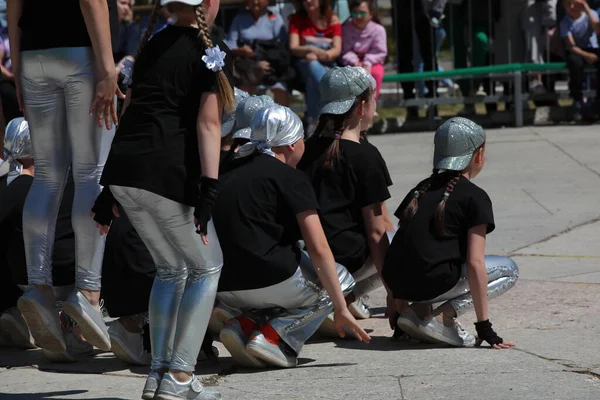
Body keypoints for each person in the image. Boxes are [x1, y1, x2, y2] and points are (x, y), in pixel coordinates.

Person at [92, 0, 234, 397]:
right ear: (207, 4)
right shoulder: (209, 51)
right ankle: (181, 377)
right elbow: (208, 123)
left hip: (126, 170)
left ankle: (158, 375)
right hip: (164, 173)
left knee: (171, 269)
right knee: (207, 268)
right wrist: (209, 188)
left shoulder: (151, 42)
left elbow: (132, 109)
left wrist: (108, 187)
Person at [213, 104, 370, 369]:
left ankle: (244, 323)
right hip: (270, 277)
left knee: (289, 271)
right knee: (338, 279)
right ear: (291, 145)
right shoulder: (290, 177)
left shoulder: (226, 174)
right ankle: (275, 338)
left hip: (225, 285)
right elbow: (319, 247)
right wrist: (341, 307)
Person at [7, 0, 122, 354]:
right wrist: (106, 67)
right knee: (90, 175)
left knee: (46, 177)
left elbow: (14, 5)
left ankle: (39, 288)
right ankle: (87, 291)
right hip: (81, 51)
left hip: (34, 55)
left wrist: (17, 62)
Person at [382, 117, 518, 349]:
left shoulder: (420, 188)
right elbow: (475, 263)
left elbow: (404, 247)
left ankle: (415, 311)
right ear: (478, 155)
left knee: (430, 262)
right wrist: (484, 326)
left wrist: (397, 303)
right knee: (509, 269)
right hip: (432, 283)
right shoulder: (475, 197)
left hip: (401, 284)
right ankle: (440, 316)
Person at [298, 67, 392, 332]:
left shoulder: (304, 149)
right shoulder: (365, 156)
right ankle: (345, 297)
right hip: (346, 260)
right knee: (395, 241)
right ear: (362, 107)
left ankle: (343, 299)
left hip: (307, 260)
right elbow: (377, 231)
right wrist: (395, 295)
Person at [0, 118, 92, 362]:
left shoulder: (8, 186)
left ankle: (13, 311)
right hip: (64, 277)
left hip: (21, 279)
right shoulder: (65, 181)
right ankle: (72, 328)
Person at [289, 0, 342, 135]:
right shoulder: (296, 19)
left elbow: (336, 49)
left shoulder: (333, 19)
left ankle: (313, 123)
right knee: (312, 65)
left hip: (327, 63)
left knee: (313, 82)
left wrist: (320, 55)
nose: (308, 1)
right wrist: (311, 49)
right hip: (304, 64)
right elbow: (294, 47)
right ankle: (333, 101)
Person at [226, 0, 291, 105]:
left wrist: (268, 61)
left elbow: (282, 45)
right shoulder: (240, 18)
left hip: (270, 64)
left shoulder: (273, 17)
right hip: (246, 66)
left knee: (280, 90)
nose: (256, 2)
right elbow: (229, 43)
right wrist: (240, 51)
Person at [560, 0, 600, 120]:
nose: (572, 7)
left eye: (574, 3)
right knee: (574, 63)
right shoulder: (564, 22)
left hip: (593, 48)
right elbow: (571, 46)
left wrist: (586, 9)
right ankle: (577, 100)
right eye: (568, 4)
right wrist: (585, 55)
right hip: (577, 50)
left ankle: (597, 102)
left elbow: (598, 30)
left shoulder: (591, 14)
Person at [341, 0, 387, 100]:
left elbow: (380, 51)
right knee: (351, 76)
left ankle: (371, 103)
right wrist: (354, 62)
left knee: (376, 74)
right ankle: (354, 107)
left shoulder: (378, 29)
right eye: (354, 13)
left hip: (373, 62)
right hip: (352, 62)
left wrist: (367, 62)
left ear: (370, 14)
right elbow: (346, 50)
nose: (358, 16)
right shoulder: (346, 29)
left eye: (362, 13)